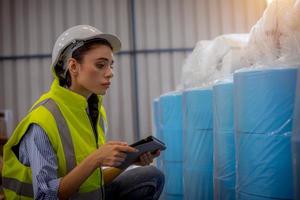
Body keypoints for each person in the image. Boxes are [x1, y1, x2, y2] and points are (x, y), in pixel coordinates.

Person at [2, 25, 164, 200]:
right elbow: (45, 196)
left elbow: (91, 182)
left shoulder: (95, 111)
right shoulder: (43, 121)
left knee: (151, 176)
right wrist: (96, 158)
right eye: (100, 65)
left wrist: (127, 162)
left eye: (111, 65)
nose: (110, 73)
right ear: (73, 66)